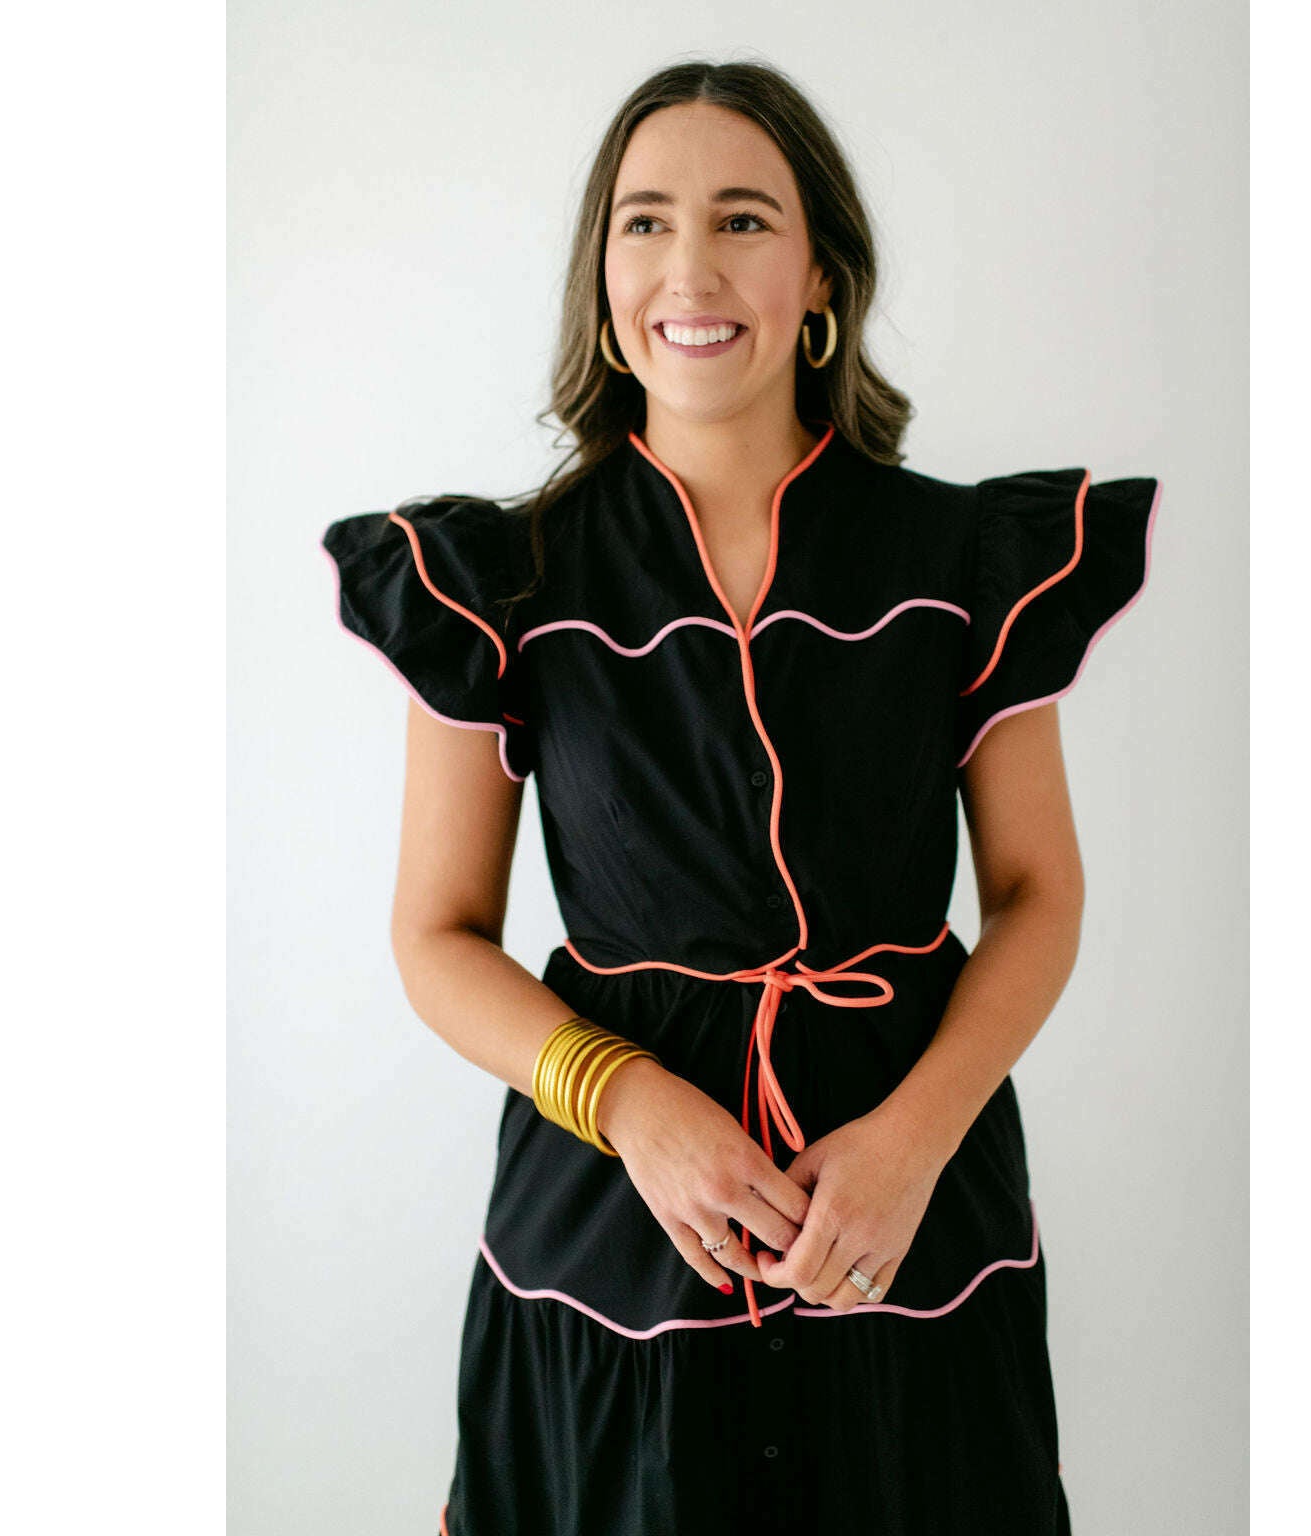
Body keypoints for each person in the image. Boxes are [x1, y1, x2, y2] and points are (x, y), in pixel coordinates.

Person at [319, 59, 1160, 1536]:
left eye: (744, 219)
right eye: (645, 222)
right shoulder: (499, 581)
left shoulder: (962, 560)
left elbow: (1040, 895)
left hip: (909, 1231)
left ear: (822, 275)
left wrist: (912, 1143)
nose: (690, 269)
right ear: (601, 279)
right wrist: (629, 1105)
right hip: (608, 1245)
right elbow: (434, 937)